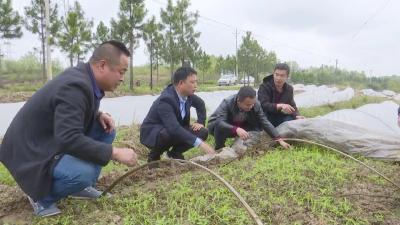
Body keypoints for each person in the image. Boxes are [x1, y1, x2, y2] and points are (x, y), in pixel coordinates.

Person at [0, 40, 138, 217]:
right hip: (29, 152)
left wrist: (97, 114)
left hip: (47, 138)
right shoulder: (75, 85)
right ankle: (41, 197)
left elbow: (71, 108)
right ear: (103, 65)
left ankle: (80, 188)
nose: (122, 78)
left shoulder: (85, 78)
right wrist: (115, 153)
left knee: (105, 130)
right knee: (82, 173)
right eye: (121, 71)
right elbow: (68, 138)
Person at [140, 66, 216, 163]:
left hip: (173, 129)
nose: (195, 85)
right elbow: (173, 128)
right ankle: (154, 156)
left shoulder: (188, 95)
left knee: (202, 132)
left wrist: (200, 122)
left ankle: (174, 153)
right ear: (181, 83)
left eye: (196, 81)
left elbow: (200, 104)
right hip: (153, 132)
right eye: (192, 82)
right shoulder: (166, 100)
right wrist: (200, 144)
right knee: (167, 134)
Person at [208, 86, 291, 150]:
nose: (251, 106)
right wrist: (236, 129)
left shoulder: (256, 104)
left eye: (253, 104)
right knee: (218, 126)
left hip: (242, 125)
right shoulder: (227, 103)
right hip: (223, 127)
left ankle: (244, 144)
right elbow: (220, 122)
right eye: (248, 105)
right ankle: (219, 147)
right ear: (238, 101)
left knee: (258, 127)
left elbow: (265, 122)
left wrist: (279, 140)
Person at [258, 63, 305, 127]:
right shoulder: (264, 86)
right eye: (276, 75)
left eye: (282, 75)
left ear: (287, 77)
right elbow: (263, 104)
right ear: (273, 74)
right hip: (266, 116)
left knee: (292, 121)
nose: (278, 78)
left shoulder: (289, 89)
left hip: (280, 116)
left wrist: (297, 115)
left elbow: (292, 105)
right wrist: (280, 105)